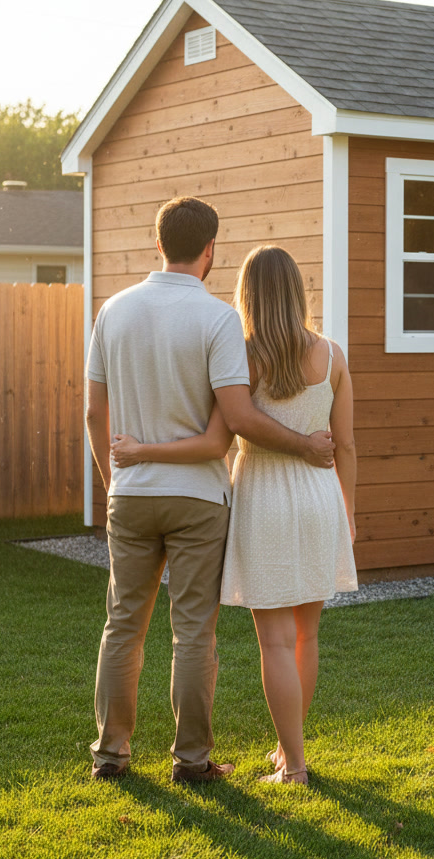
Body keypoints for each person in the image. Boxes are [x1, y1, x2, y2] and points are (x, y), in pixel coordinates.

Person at [85, 198, 336, 784]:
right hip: (198, 497)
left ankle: (110, 755)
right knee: (192, 629)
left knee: (123, 624)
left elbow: (94, 410)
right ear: (209, 251)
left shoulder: (112, 311)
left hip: (132, 493)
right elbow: (237, 417)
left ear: (157, 244)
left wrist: (113, 480)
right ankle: (191, 761)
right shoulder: (218, 319)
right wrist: (304, 446)